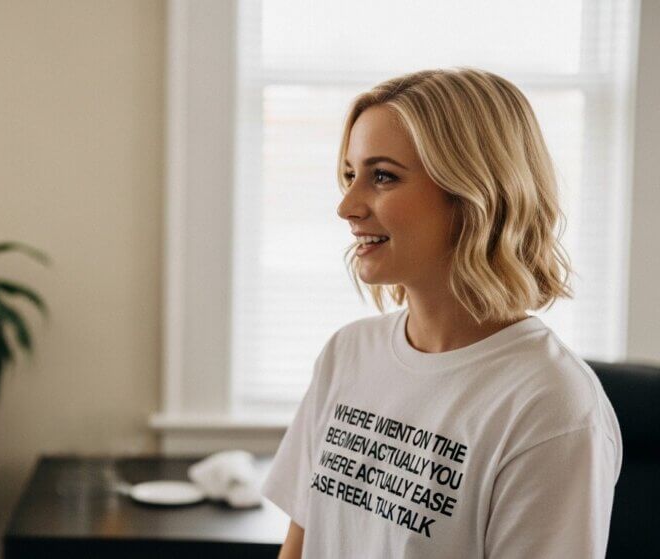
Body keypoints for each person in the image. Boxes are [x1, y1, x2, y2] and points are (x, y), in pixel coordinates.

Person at [262, 68, 622, 558]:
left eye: (383, 176)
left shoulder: (553, 407)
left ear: (473, 194)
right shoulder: (348, 353)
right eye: (350, 175)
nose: (346, 205)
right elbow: (299, 547)